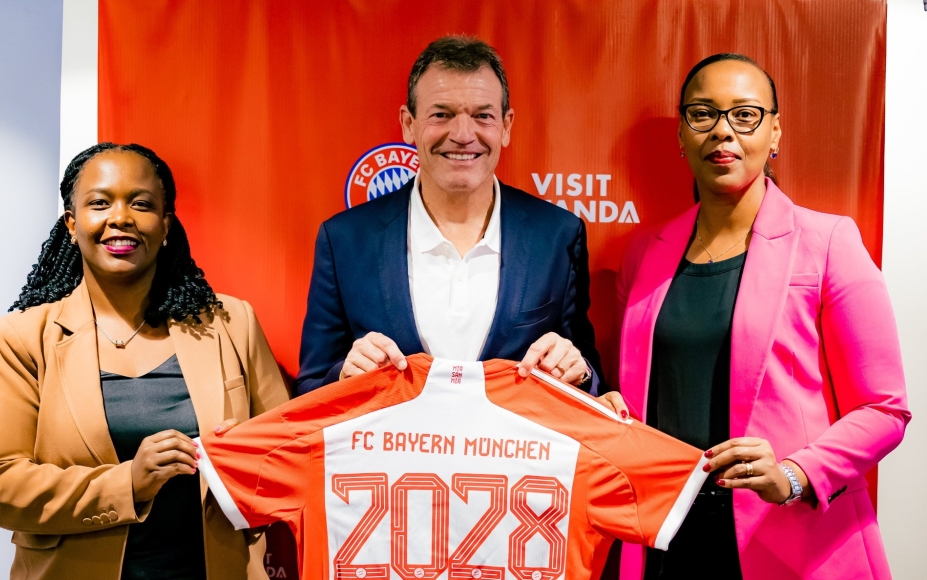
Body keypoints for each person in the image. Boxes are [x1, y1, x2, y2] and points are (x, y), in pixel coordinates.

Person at [616, 54, 910, 579]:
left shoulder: (828, 243)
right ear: (681, 135)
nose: (722, 130)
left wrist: (794, 474)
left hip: (788, 539)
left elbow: (884, 409)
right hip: (666, 536)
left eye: (745, 115)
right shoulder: (644, 253)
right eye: (702, 114)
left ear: (774, 132)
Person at [0, 143, 289, 580]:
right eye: (100, 203)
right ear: (71, 223)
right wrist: (127, 483)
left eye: (141, 204)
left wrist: (243, 458)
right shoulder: (21, 338)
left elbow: (288, 454)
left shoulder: (232, 323)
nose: (121, 217)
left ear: (166, 224)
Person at [297, 36, 615, 401]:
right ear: (408, 124)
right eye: (441, 114)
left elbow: (587, 379)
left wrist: (580, 373)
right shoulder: (345, 240)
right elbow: (309, 389)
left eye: (483, 116)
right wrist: (344, 375)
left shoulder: (558, 236)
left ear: (506, 126)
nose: (463, 135)